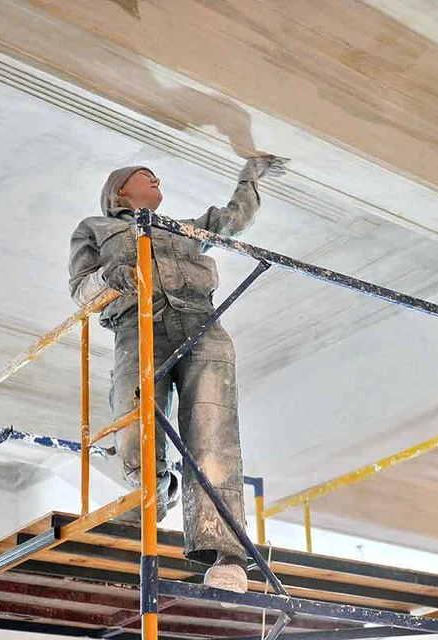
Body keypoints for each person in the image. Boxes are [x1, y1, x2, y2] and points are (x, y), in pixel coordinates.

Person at [68, 156, 287, 592]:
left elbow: (234, 219)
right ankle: (157, 491)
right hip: (137, 328)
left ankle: (226, 555)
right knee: (133, 428)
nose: (156, 179)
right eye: (144, 175)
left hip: (200, 323)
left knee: (211, 431)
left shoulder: (182, 228)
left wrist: (250, 175)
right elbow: (80, 289)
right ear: (119, 190)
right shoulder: (94, 228)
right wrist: (110, 277)